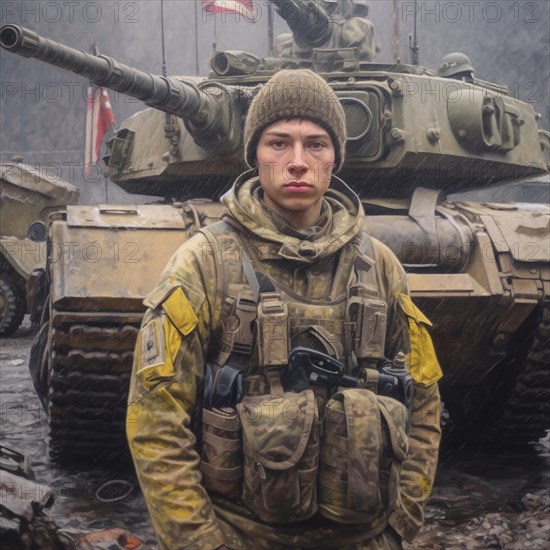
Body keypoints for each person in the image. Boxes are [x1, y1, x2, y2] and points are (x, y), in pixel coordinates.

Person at [127, 69, 442, 550]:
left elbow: (424, 406)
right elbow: (156, 424)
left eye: (316, 144)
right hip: (241, 535)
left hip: (368, 536)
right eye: (278, 143)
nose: (297, 162)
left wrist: (400, 527)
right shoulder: (204, 264)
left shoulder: (380, 267)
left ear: (336, 156)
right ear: (254, 154)